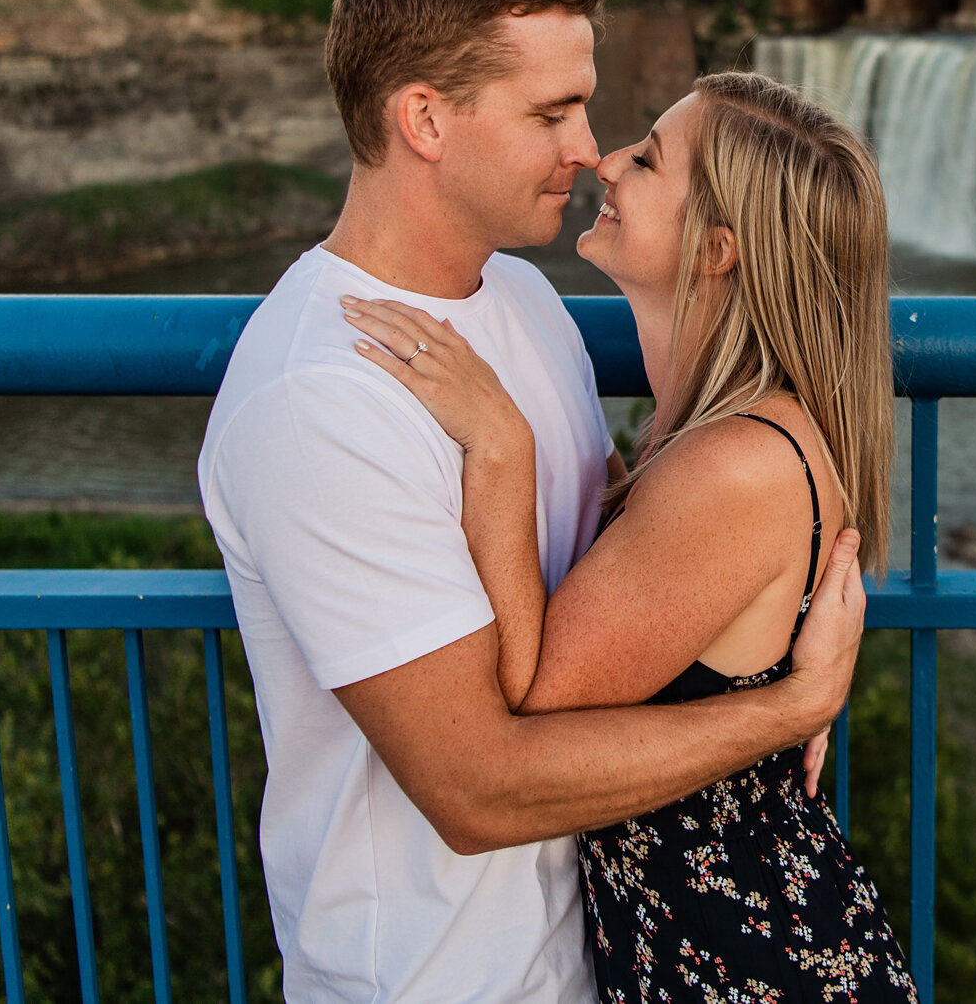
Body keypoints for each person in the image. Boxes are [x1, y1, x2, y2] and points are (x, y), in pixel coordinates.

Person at [197, 0, 865, 1004]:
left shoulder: (525, 301)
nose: (589, 150)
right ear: (424, 120)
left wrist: (764, 618)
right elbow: (474, 792)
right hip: (434, 976)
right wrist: (785, 707)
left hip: (594, 954)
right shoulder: (320, 396)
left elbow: (621, 559)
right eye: (550, 114)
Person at [340, 71, 916, 1002]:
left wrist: (500, 445)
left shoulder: (732, 465)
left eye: (646, 159)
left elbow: (529, 701)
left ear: (717, 249)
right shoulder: (705, 436)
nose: (605, 161)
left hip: (743, 967)